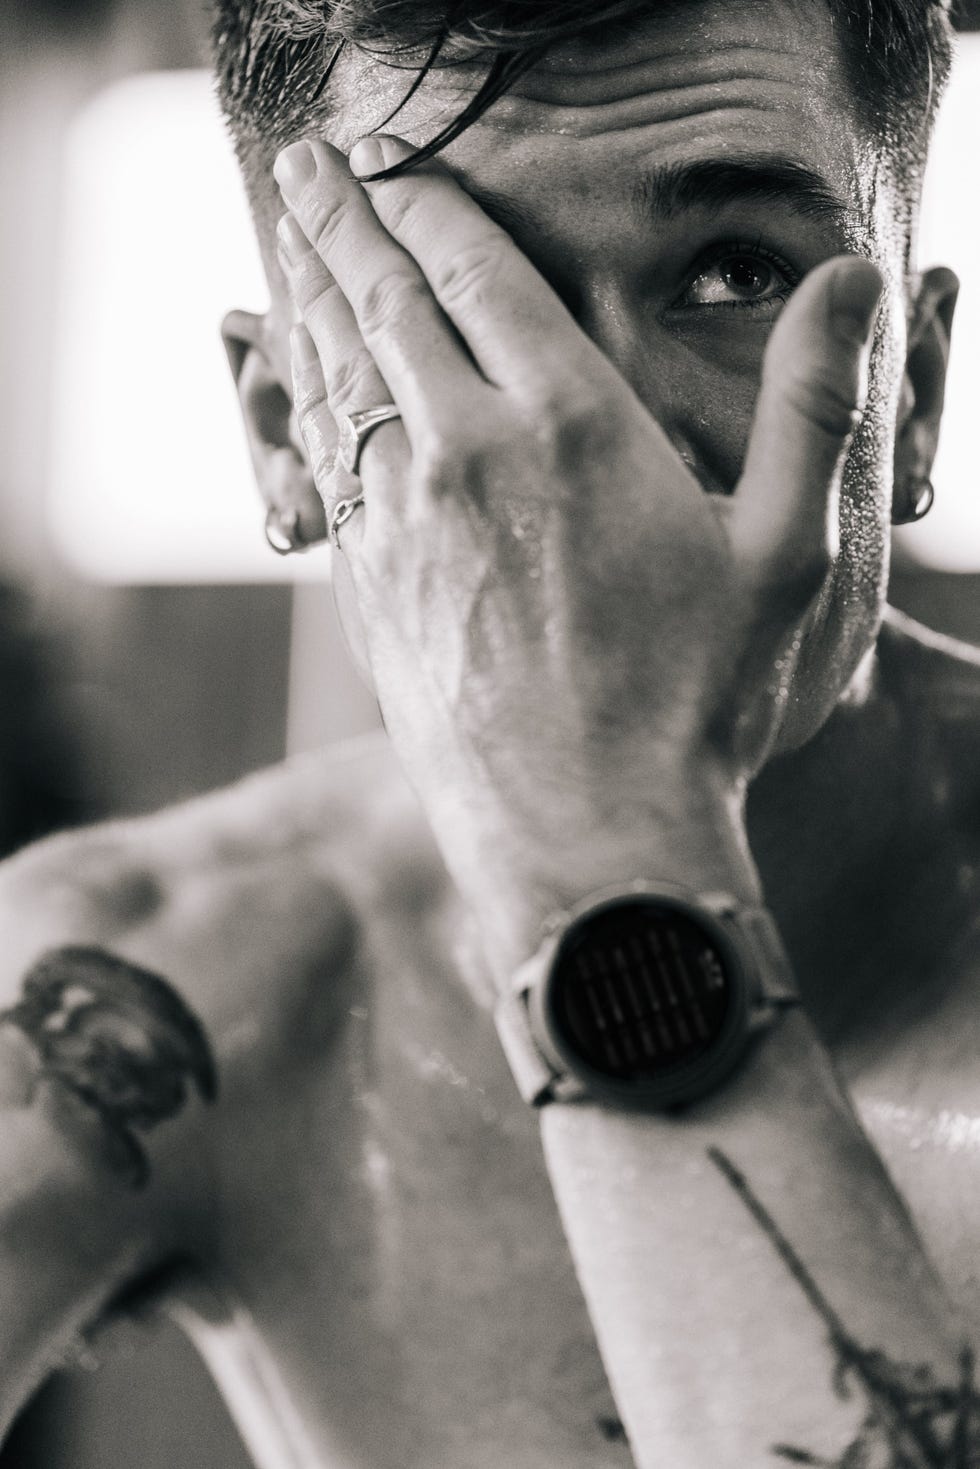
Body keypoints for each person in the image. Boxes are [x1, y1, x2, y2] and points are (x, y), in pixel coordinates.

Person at [2, 0, 979, 1464]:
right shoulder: (156, 979)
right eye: (466, 313)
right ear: (287, 435)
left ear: (907, 394)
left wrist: (602, 830)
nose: (594, 453)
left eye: (732, 271)